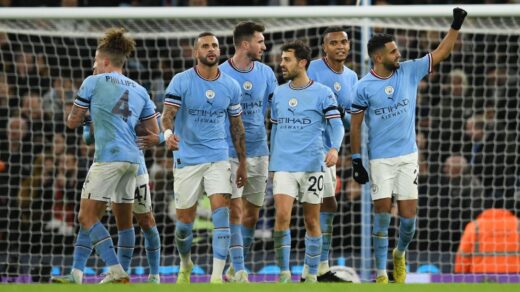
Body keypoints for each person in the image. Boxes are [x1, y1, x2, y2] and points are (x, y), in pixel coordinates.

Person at [350, 8, 467, 284]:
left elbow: (441, 53)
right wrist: (356, 159)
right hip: (380, 159)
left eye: (397, 50)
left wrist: (456, 25)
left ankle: (399, 253)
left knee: (408, 220)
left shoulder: (410, 70)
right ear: (378, 57)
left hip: (407, 157)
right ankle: (380, 273)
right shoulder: (363, 86)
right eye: (392, 52)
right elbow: (355, 125)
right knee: (381, 216)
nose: (398, 54)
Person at [65, 27, 159, 284]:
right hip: (133, 162)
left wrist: (83, 118)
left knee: (87, 216)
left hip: (108, 159)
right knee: (122, 221)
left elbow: (72, 122)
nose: (94, 66)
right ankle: (79, 273)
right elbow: (155, 133)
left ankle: (116, 269)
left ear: (105, 61)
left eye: (96, 62)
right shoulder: (140, 89)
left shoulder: (92, 82)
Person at [161, 31, 247, 284]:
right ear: (195, 52)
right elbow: (167, 114)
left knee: (222, 212)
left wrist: (242, 162)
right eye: (205, 46)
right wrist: (167, 134)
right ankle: (185, 263)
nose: (211, 49)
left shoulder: (231, 86)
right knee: (184, 224)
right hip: (187, 158)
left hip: (218, 156)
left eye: (215, 45)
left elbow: (237, 127)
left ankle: (216, 277)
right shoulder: (182, 81)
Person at [270, 40, 344, 283]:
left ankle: (311, 275)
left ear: (302, 63)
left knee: (312, 220)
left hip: (312, 166)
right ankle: (283, 275)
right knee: (282, 217)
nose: (281, 64)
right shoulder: (279, 93)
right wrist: (273, 165)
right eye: (281, 59)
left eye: (286, 59)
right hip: (284, 166)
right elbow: (275, 131)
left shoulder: (323, 92)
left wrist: (334, 148)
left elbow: (337, 125)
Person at [219, 21, 278, 282]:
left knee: (252, 215)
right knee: (235, 210)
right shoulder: (220, 73)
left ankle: (233, 269)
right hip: (229, 152)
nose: (264, 46)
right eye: (260, 41)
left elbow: (276, 112)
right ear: (245, 44)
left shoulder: (266, 73)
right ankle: (240, 268)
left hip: (260, 150)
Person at [306, 26, 357, 282]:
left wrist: (340, 113)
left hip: (329, 151)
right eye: (334, 42)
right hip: (307, 146)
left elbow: (352, 118)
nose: (340, 46)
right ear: (324, 47)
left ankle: (319, 269)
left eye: (344, 42)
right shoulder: (312, 69)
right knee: (309, 207)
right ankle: (310, 269)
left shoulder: (351, 77)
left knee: (327, 204)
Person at [454, 204, 520, 273]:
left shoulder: (474, 226)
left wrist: (460, 276)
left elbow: (463, 255)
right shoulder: (517, 224)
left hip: (480, 277)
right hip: (515, 276)